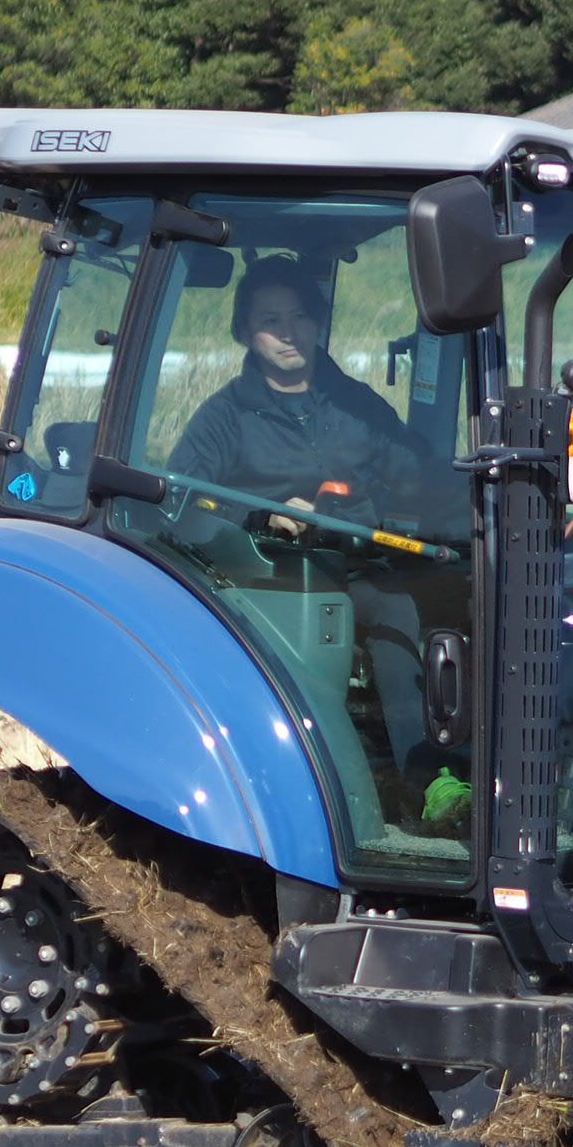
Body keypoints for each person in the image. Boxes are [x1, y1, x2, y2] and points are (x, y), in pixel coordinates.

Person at [167, 257, 468, 803]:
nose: (288, 332)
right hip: (268, 578)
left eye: (300, 316)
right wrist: (263, 514)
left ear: (319, 322)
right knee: (382, 608)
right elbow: (183, 505)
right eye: (271, 319)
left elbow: (421, 477)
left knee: (436, 597)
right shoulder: (223, 418)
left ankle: (451, 777)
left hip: (359, 563)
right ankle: (388, 785)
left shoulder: (358, 406)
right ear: (244, 331)